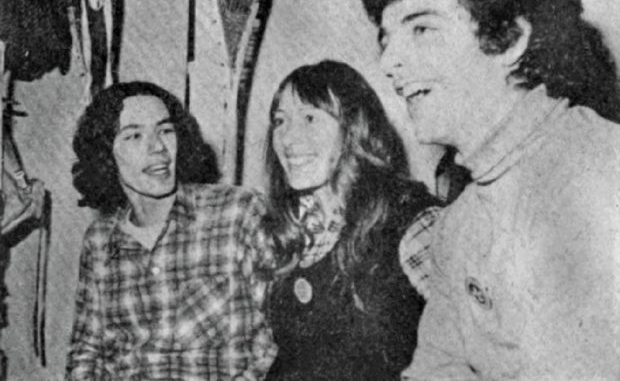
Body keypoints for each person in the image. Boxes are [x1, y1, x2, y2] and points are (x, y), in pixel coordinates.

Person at [359, 0, 620, 379]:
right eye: (387, 38)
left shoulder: (598, 178)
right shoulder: (457, 228)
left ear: (510, 40)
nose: (388, 63)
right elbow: (436, 371)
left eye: (421, 29)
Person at [66, 81, 276, 380]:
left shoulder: (237, 213)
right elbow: (86, 352)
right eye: (135, 135)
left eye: (165, 130)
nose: (158, 148)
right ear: (105, 154)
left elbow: (277, 339)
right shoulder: (100, 242)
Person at [262, 60, 440, 381]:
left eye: (310, 118)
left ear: (353, 128)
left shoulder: (411, 222)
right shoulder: (289, 230)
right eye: (279, 121)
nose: (288, 138)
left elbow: (477, 349)